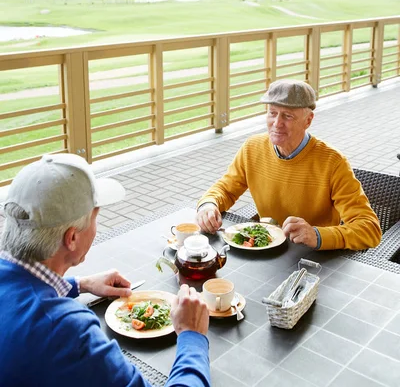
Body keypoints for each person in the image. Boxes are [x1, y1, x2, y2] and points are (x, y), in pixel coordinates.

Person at [0, 154, 210, 387]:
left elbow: (20, 296)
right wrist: (192, 335)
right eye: (96, 218)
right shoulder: (68, 331)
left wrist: (80, 284)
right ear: (71, 238)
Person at [197, 79, 381, 251]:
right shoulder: (252, 148)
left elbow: (370, 229)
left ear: (308, 120)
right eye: (272, 113)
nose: (277, 124)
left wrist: (317, 235)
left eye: (287, 116)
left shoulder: (333, 162)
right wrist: (208, 205)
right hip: (266, 249)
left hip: (315, 255)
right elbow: (225, 189)